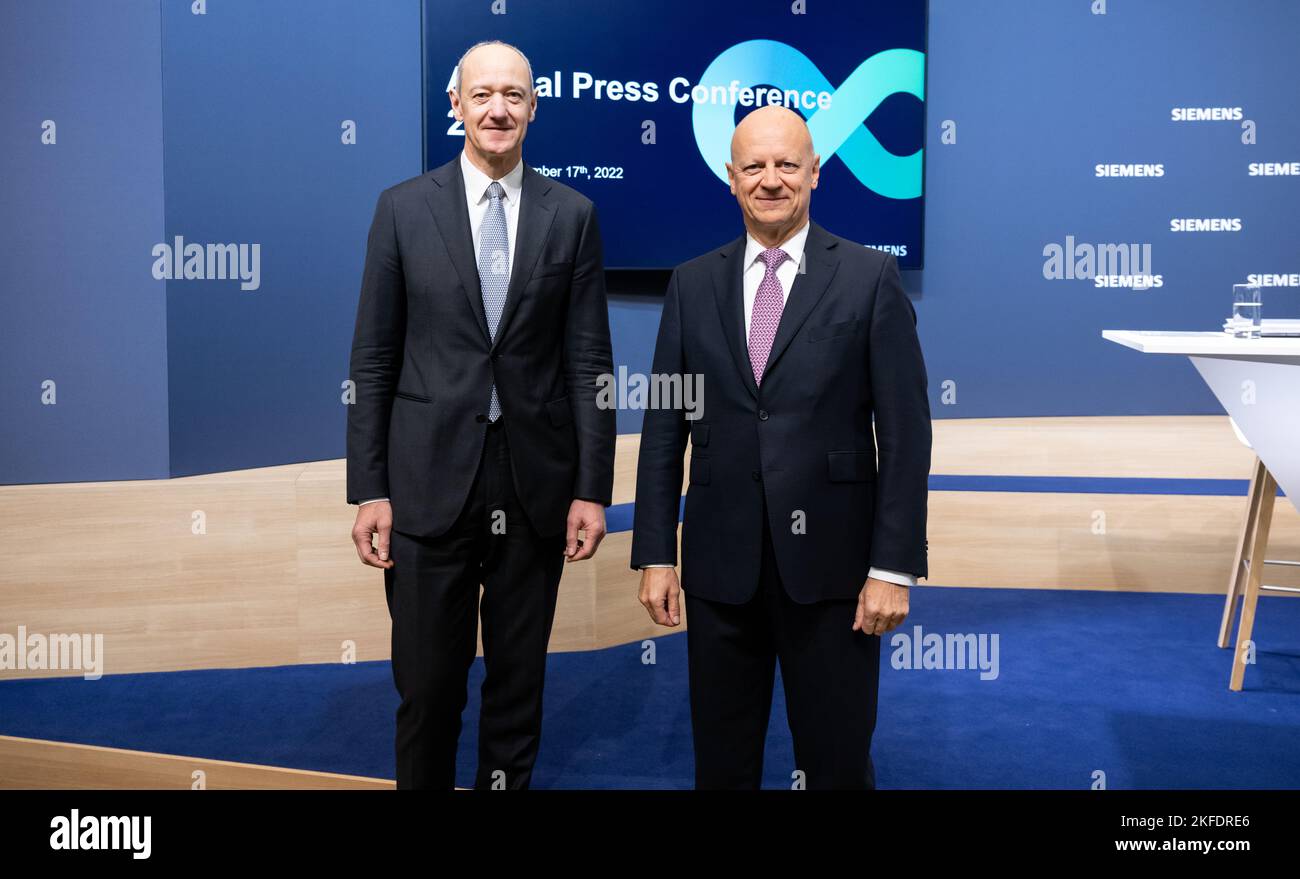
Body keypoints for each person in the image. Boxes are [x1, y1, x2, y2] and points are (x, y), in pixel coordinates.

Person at [631, 105, 931, 790]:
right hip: (718, 571)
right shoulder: (692, 282)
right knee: (723, 763)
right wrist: (654, 551)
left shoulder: (869, 277)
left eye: (787, 164)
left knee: (836, 762)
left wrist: (894, 566)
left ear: (816, 174)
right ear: (730, 178)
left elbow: (907, 437)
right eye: (755, 166)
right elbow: (664, 428)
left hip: (835, 574)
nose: (771, 180)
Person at [346, 40, 615, 790]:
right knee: (428, 691)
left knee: (517, 690)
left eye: (515, 95)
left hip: (535, 486)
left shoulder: (575, 216)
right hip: (428, 486)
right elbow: (372, 360)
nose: (499, 109)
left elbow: (591, 364)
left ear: (534, 108)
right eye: (483, 94)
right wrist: (369, 487)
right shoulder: (402, 209)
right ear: (455, 106)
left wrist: (592, 487)